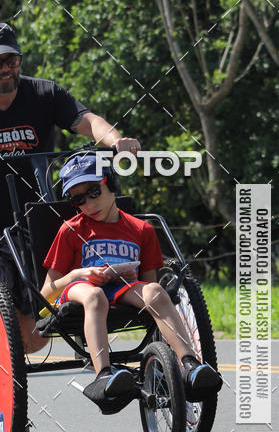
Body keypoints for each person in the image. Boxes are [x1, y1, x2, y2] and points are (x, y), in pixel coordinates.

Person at [0, 21, 142, 357]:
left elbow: (88, 121)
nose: (5, 69)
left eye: (11, 60)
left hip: (33, 220)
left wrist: (116, 141)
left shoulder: (44, 93)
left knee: (36, 337)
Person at [40, 152, 223, 409]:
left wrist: (130, 277)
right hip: (79, 289)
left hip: (122, 286)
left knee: (156, 291)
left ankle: (190, 364)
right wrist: (78, 274)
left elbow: (148, 284)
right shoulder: (71, 230)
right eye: (78, 199)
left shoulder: (141, 230)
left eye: (94, 192)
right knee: (95, 295)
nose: (89, 204)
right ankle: (103, 374)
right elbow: (46, 291)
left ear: (111, 184)